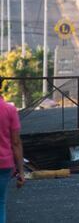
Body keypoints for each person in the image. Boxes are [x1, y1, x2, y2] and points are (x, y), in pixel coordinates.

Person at [0, 80, 24, 223]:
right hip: (4, 163)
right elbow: (16, 142)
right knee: (1, 202)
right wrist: (21, 171)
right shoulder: (9, 110)